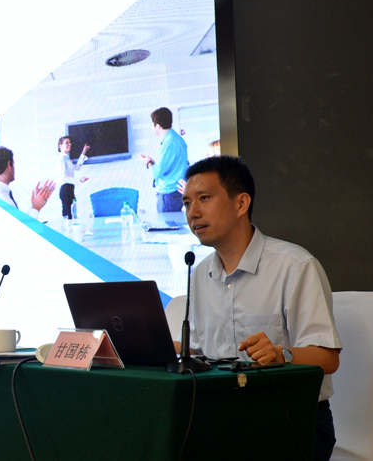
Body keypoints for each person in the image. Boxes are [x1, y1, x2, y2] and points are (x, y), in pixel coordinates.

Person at [176, 155, 341, 460]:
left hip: (290, 417)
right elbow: (201, 351)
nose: (192, 212)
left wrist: (280, 354)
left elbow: (328, 358)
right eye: (187, 203)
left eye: (204, 198)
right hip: (221, 414)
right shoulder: (199, 274)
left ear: (241, 204)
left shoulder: (294, 265)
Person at [138, 107, 189, 217]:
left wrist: (147, 163)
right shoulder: (176, 139)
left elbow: (157, 172)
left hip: (169, 194)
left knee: (167, 226)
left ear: (158, 126)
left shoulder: (169, 143)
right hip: (174, 193)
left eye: (152, 125)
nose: (152, 128)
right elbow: (171, 166)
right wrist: (153, 162)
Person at [0, 146, 55, 217]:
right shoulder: (2, 198)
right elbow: (20, 224)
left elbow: (20, 219)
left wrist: (34, 205)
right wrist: (36, 208)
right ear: (9, 165)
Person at [57, 136, 90, 219]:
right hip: (65, 190)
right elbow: (64, 177)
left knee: (72, 214)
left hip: (70, 189)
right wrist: (80, 180)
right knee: (69, 216)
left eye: (70, 143)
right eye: (66, 143)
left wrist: (84, 152)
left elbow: (77, 168)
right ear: (60, 146)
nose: (70, 144)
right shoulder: (61, 158)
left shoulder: (66, 158)